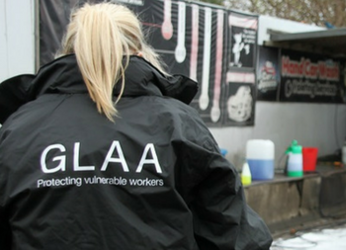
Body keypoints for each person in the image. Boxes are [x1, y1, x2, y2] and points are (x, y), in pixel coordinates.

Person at [0, 3, 272, 249]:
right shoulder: (178, 124)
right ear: (140, 54)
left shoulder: (17, 131)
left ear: (67, 53)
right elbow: (235, 236)